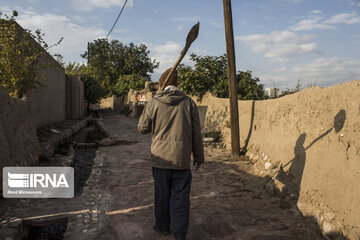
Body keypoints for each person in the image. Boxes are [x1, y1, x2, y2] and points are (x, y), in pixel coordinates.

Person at [138, 68, 204, 240]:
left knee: (161, 195)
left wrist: (151, 109)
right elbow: (196, 133)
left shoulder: (154, 102)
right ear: (178, 83)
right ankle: (180, 234)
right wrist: (199, 156)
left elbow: (142, 128)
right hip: (181, 160)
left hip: (160, 160)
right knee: (180, 198)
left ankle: (163, 227)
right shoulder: (189, 103)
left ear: (161, 83)